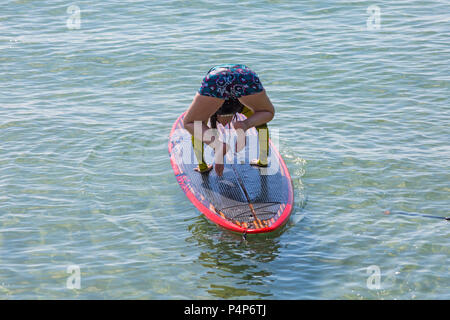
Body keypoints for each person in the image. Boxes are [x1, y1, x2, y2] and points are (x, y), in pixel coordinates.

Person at [183, 64, 275, 176]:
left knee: (193, 124)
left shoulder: (210, 106)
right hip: (245, 75)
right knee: (265, 113)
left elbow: (196, 132)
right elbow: (262, 126)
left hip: (217, 79)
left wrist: (202, 166)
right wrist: (263, 161)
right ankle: (246, 127)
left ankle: (217, 148)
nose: (225, 123)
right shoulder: (243, 107)